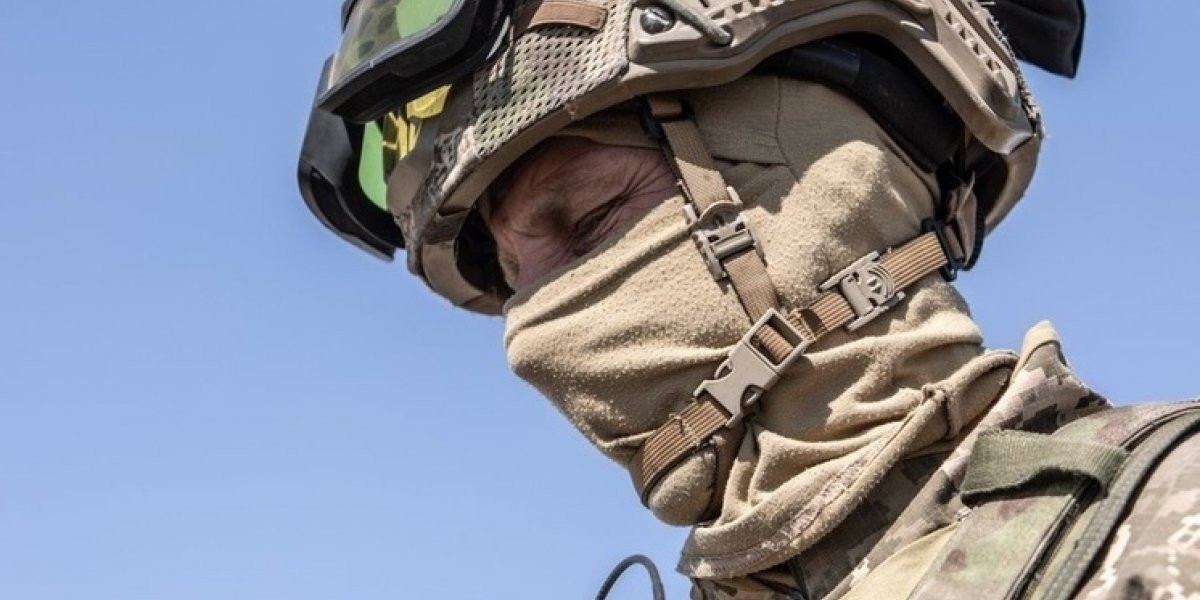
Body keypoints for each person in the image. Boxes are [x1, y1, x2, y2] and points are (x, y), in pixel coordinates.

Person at [297, 1, 1200, 597]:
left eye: (590, 222)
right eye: (511, 281)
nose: (530, 343)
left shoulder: (1171, 528)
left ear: (830, 174)